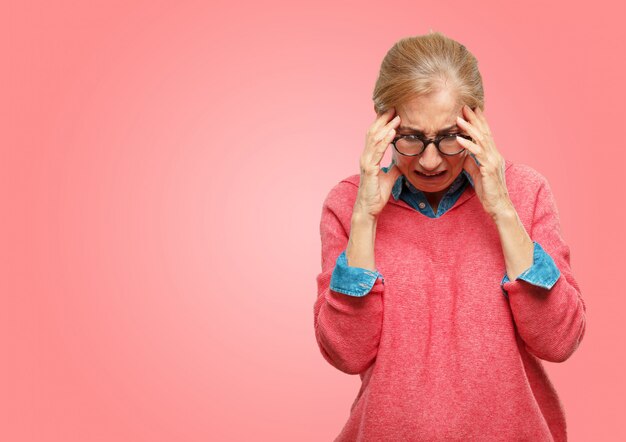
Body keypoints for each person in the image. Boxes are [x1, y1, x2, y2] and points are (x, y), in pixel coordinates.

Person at [313, 31, 587, 441]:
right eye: (410, 137)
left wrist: (501, 210)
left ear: (475, 121)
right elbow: (347, 354)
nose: (429, 160)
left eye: (448, 138)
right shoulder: (348, 203)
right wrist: (366, 219)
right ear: (382, 125)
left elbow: (560, 341)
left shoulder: (526, 192)